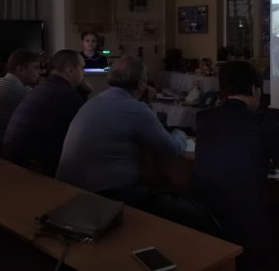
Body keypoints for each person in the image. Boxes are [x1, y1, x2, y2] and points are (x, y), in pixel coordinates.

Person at [189, 60, 279, 271]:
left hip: (204, 217)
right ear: (255, 89)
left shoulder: (204, 118)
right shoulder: (262, 122)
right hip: (245, 226)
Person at [56, 55, 187, 208]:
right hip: (103, 198)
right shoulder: (136, 110)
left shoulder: (94, 101)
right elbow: (171, 148)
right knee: (172, 201)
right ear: (141, 83)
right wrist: (180, 133)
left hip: (67, 192)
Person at [1, 49, 91, 177]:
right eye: (82, 68)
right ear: (70, 71)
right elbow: (87, 131)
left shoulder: (43, 87)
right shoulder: (66, 94)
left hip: (11, 162)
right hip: (33, 171)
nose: (84, 73)